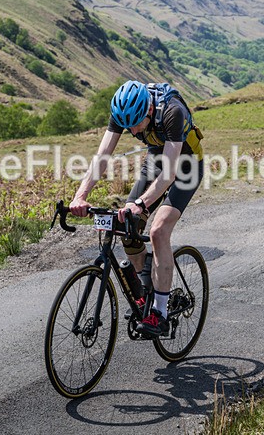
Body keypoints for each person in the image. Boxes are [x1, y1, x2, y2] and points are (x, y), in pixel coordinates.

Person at [69, 80, 204, 338]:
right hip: (156, 158)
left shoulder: (172, 112)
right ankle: (145, 291)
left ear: (149, 110)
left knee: (158, 231)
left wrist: (140, 203)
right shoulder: (124, 111)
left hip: (185, 166)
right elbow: (102, 157)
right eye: (126, 125)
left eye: (136, 123)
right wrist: (81, 195)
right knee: (125, 226)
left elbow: (169, 174)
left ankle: (160, 314)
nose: (132, 130)